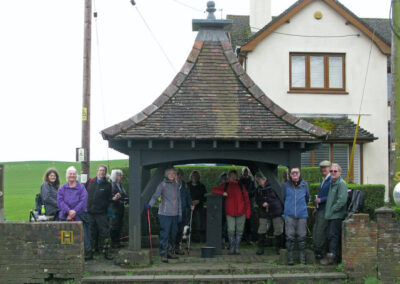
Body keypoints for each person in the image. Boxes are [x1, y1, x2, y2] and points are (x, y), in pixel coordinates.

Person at [145, 168, 182, 263]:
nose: (172, 175)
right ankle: (163, 254)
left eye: (173, 173)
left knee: (173, 234)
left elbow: (179, 201)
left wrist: (180, 213)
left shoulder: (177, 185)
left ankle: (170, 252)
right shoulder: (162, 184)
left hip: (175, 214)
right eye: (170, 173)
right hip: (165, 214)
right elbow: (155, 196)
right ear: (166, 174)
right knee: (165, 234)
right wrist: (150, 204)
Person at [211, 170, 251, 255]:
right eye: (231, 175)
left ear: (237, 176)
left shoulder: (241, 186)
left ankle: (236, 248)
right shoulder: (225, 185)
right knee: (231, 230)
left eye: (234, 175)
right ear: (229, 177)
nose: (233, 177)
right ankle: (232, 247)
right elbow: (213, 190)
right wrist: (222, 192)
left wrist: (248, 213)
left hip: (241, 212)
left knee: (240, 231)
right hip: (230, 212)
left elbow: (247, 200)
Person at [86, 165, 120, 260]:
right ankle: (90, 252)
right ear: (97, 171)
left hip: (101, 213)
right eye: (100, 170)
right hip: (90, 212)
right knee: (91, 233)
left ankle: (106, 252)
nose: (101, 172)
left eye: (103, 171)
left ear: (105, 173)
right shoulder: (90, 182)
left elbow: (109, 199)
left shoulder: (107, 185)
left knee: (105, 233)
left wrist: (114, 198)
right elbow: (84, 194)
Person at [57, 166, 91, 260]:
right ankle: (66, 254)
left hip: (79, 215)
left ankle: (84, 254)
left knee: (82, 236)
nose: (72, 175)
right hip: (65, 216)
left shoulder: (81, 188)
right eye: (70, 174)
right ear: (67, 176)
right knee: (66, 237)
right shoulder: (62, 189)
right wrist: (68, 211)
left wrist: (74, 211)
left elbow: (83, 201)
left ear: (76, 176)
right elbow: (60, 201)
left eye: (73, 174)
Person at [321, 163, 348, 265]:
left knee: (333, 236)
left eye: (335, 171)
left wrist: (332, 210)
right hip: (330, 216)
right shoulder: (332, 183)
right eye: (331, 171)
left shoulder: (341, 183)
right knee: (329, 235)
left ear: (340, 172)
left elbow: (342, 200)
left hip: (336, 216)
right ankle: (331, 256)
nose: (332, 173)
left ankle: (332, 258)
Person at [282, 167, 310, 265]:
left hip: (302, 214)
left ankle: (303, 259)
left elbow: (307, 198)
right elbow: (283, 198)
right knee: (289, 237)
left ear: (299, 174)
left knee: (302, 236)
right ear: (289, 174)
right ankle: (290, 259)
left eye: (296, 172)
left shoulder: (305, 185)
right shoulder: (285, 186)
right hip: (289, 215)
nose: (294, 174)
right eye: (292, 173)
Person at [254, 171, 284, 255]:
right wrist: (261, 203)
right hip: (264, 212)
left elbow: (280, 198)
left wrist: (269, 203)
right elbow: (257, 200)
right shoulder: (258, 189)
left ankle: (279, 247)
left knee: (278, 229)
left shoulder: (273, 186)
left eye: (259, 180)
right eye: (257, 180)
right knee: (262, 229)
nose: (258, 182)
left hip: (276, 211)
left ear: (263, 179)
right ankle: (261, 247)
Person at [313, 160, 331, 260]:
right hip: (320, 209)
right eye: (322, 168)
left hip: (325, 209)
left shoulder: (331, 180)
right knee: (316, 229)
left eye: (325, 167)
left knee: (320, 230)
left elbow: (332, 196)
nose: (323, 169)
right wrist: (316, 207)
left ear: (329, 168)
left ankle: (319, 251)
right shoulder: (323, 180)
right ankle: (316, 248)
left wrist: (321, 200)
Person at [174, 168, 195, 254]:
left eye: (181, 175)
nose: (179, 177)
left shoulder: (185, 185)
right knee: (173, 230)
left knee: (180, 230)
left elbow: (188, 196)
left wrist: (191, 204)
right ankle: (170, 247)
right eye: (178, 174)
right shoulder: (171, 184)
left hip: (182, 211)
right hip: (172, 211)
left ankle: (177, 247)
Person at [110, 169, 128, 248]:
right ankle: (114, 242)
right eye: (120, 175)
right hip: (115, 209)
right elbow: (112, 197)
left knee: (119, 225)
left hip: (120, 208)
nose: (121, 177)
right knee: (115, 225)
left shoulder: (120, 185)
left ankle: (118, 241)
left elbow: (123, 195)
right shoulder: (113, 185)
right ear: (116, 177)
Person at [187, 171, 207, 243]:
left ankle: (201, 240)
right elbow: (185, 196)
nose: (194, 177)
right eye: (193, 176)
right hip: (189, 207)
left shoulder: (202, 186)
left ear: (198, 177)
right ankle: (187, 239)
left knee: (200, 224)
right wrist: (190, 202)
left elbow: (205, 197)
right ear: (191, 177)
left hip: (199, 208)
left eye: (196, 176)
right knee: (188, 223)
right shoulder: (187, 185)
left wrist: (199, 201)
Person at [239, 167, 256, 243]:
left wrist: (247, 194)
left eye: (246, 171)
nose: (245, 173)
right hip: (241, 203)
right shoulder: (239, 181)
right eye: (244, 171)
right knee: (241, 221)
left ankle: (249, 238)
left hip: (249, 203)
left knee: (249, 221)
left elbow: (254, 191)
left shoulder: (252, 181)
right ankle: (242, 237)